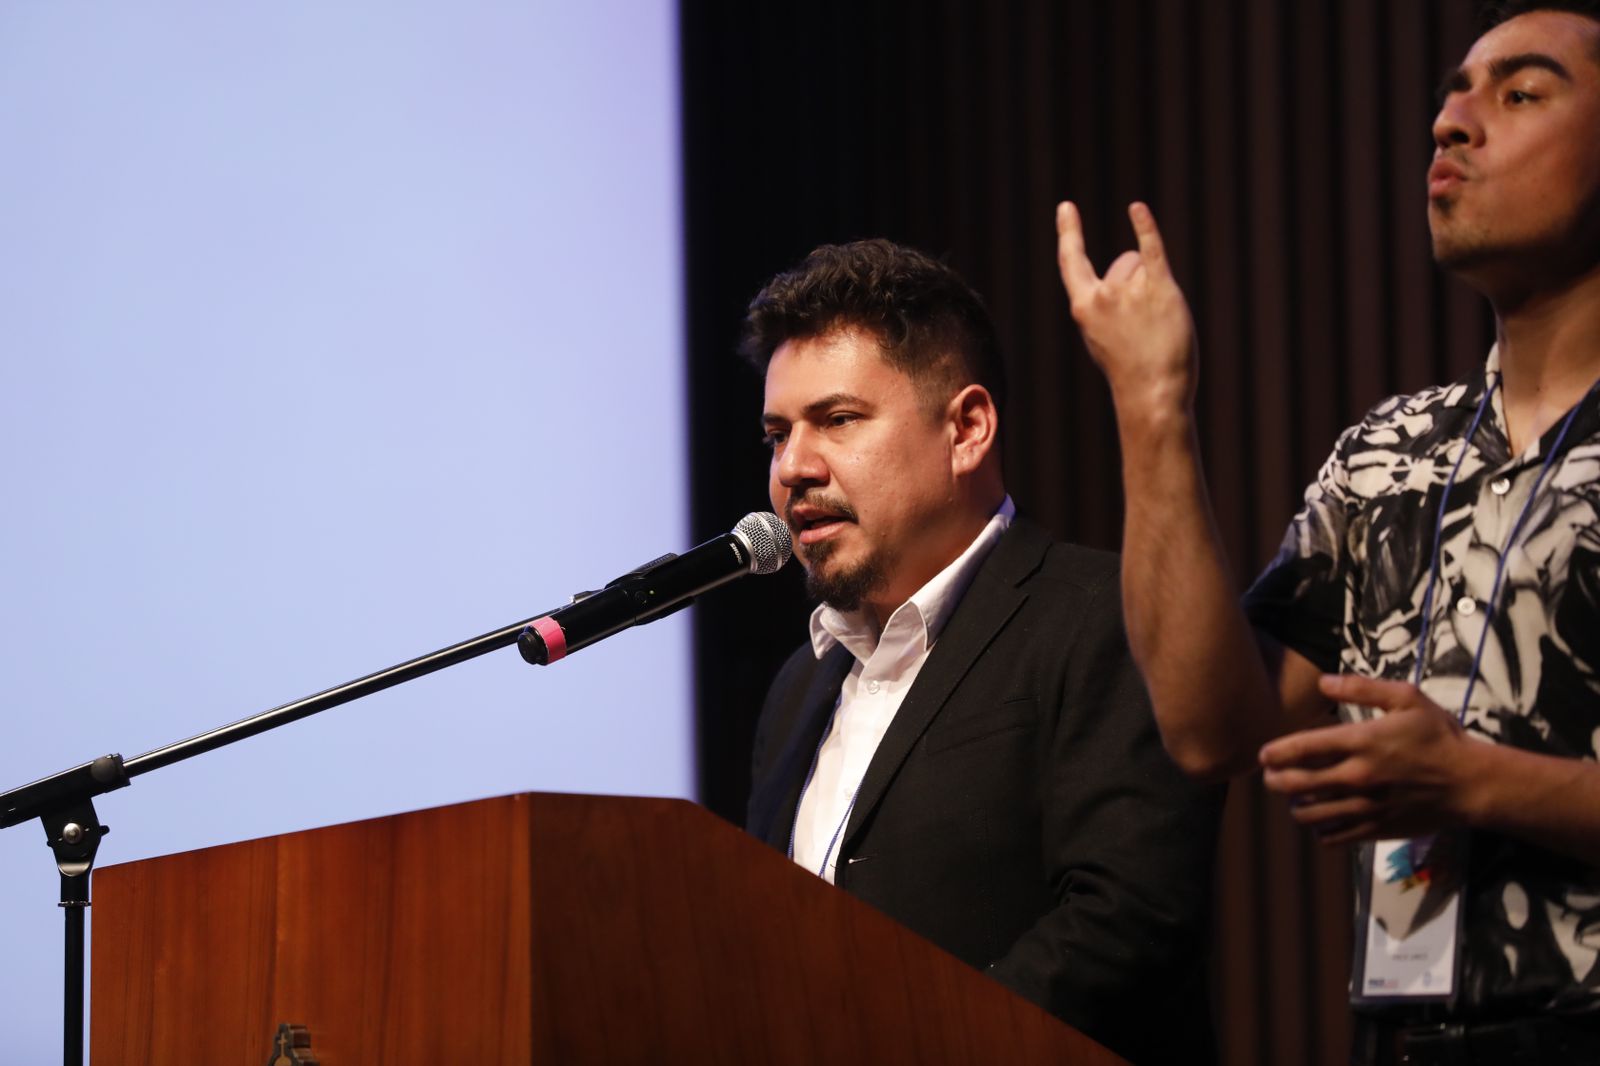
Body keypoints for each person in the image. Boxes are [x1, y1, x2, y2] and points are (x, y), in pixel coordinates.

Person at [1055, 2, 1600, 1062]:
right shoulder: (1388, 451)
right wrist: (1151, 405)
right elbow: (1214, 728)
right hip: (1399, 1035)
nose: (1451, 122)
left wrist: (1474, 781)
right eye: (1451, 94)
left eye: (1521, 92)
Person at [740, 237, 1223, 1064]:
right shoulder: (798, 687)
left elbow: (1127, 924)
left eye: (839, 421)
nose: (794, 468)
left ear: (966, 429)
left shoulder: (1102, 617)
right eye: (777, 435)